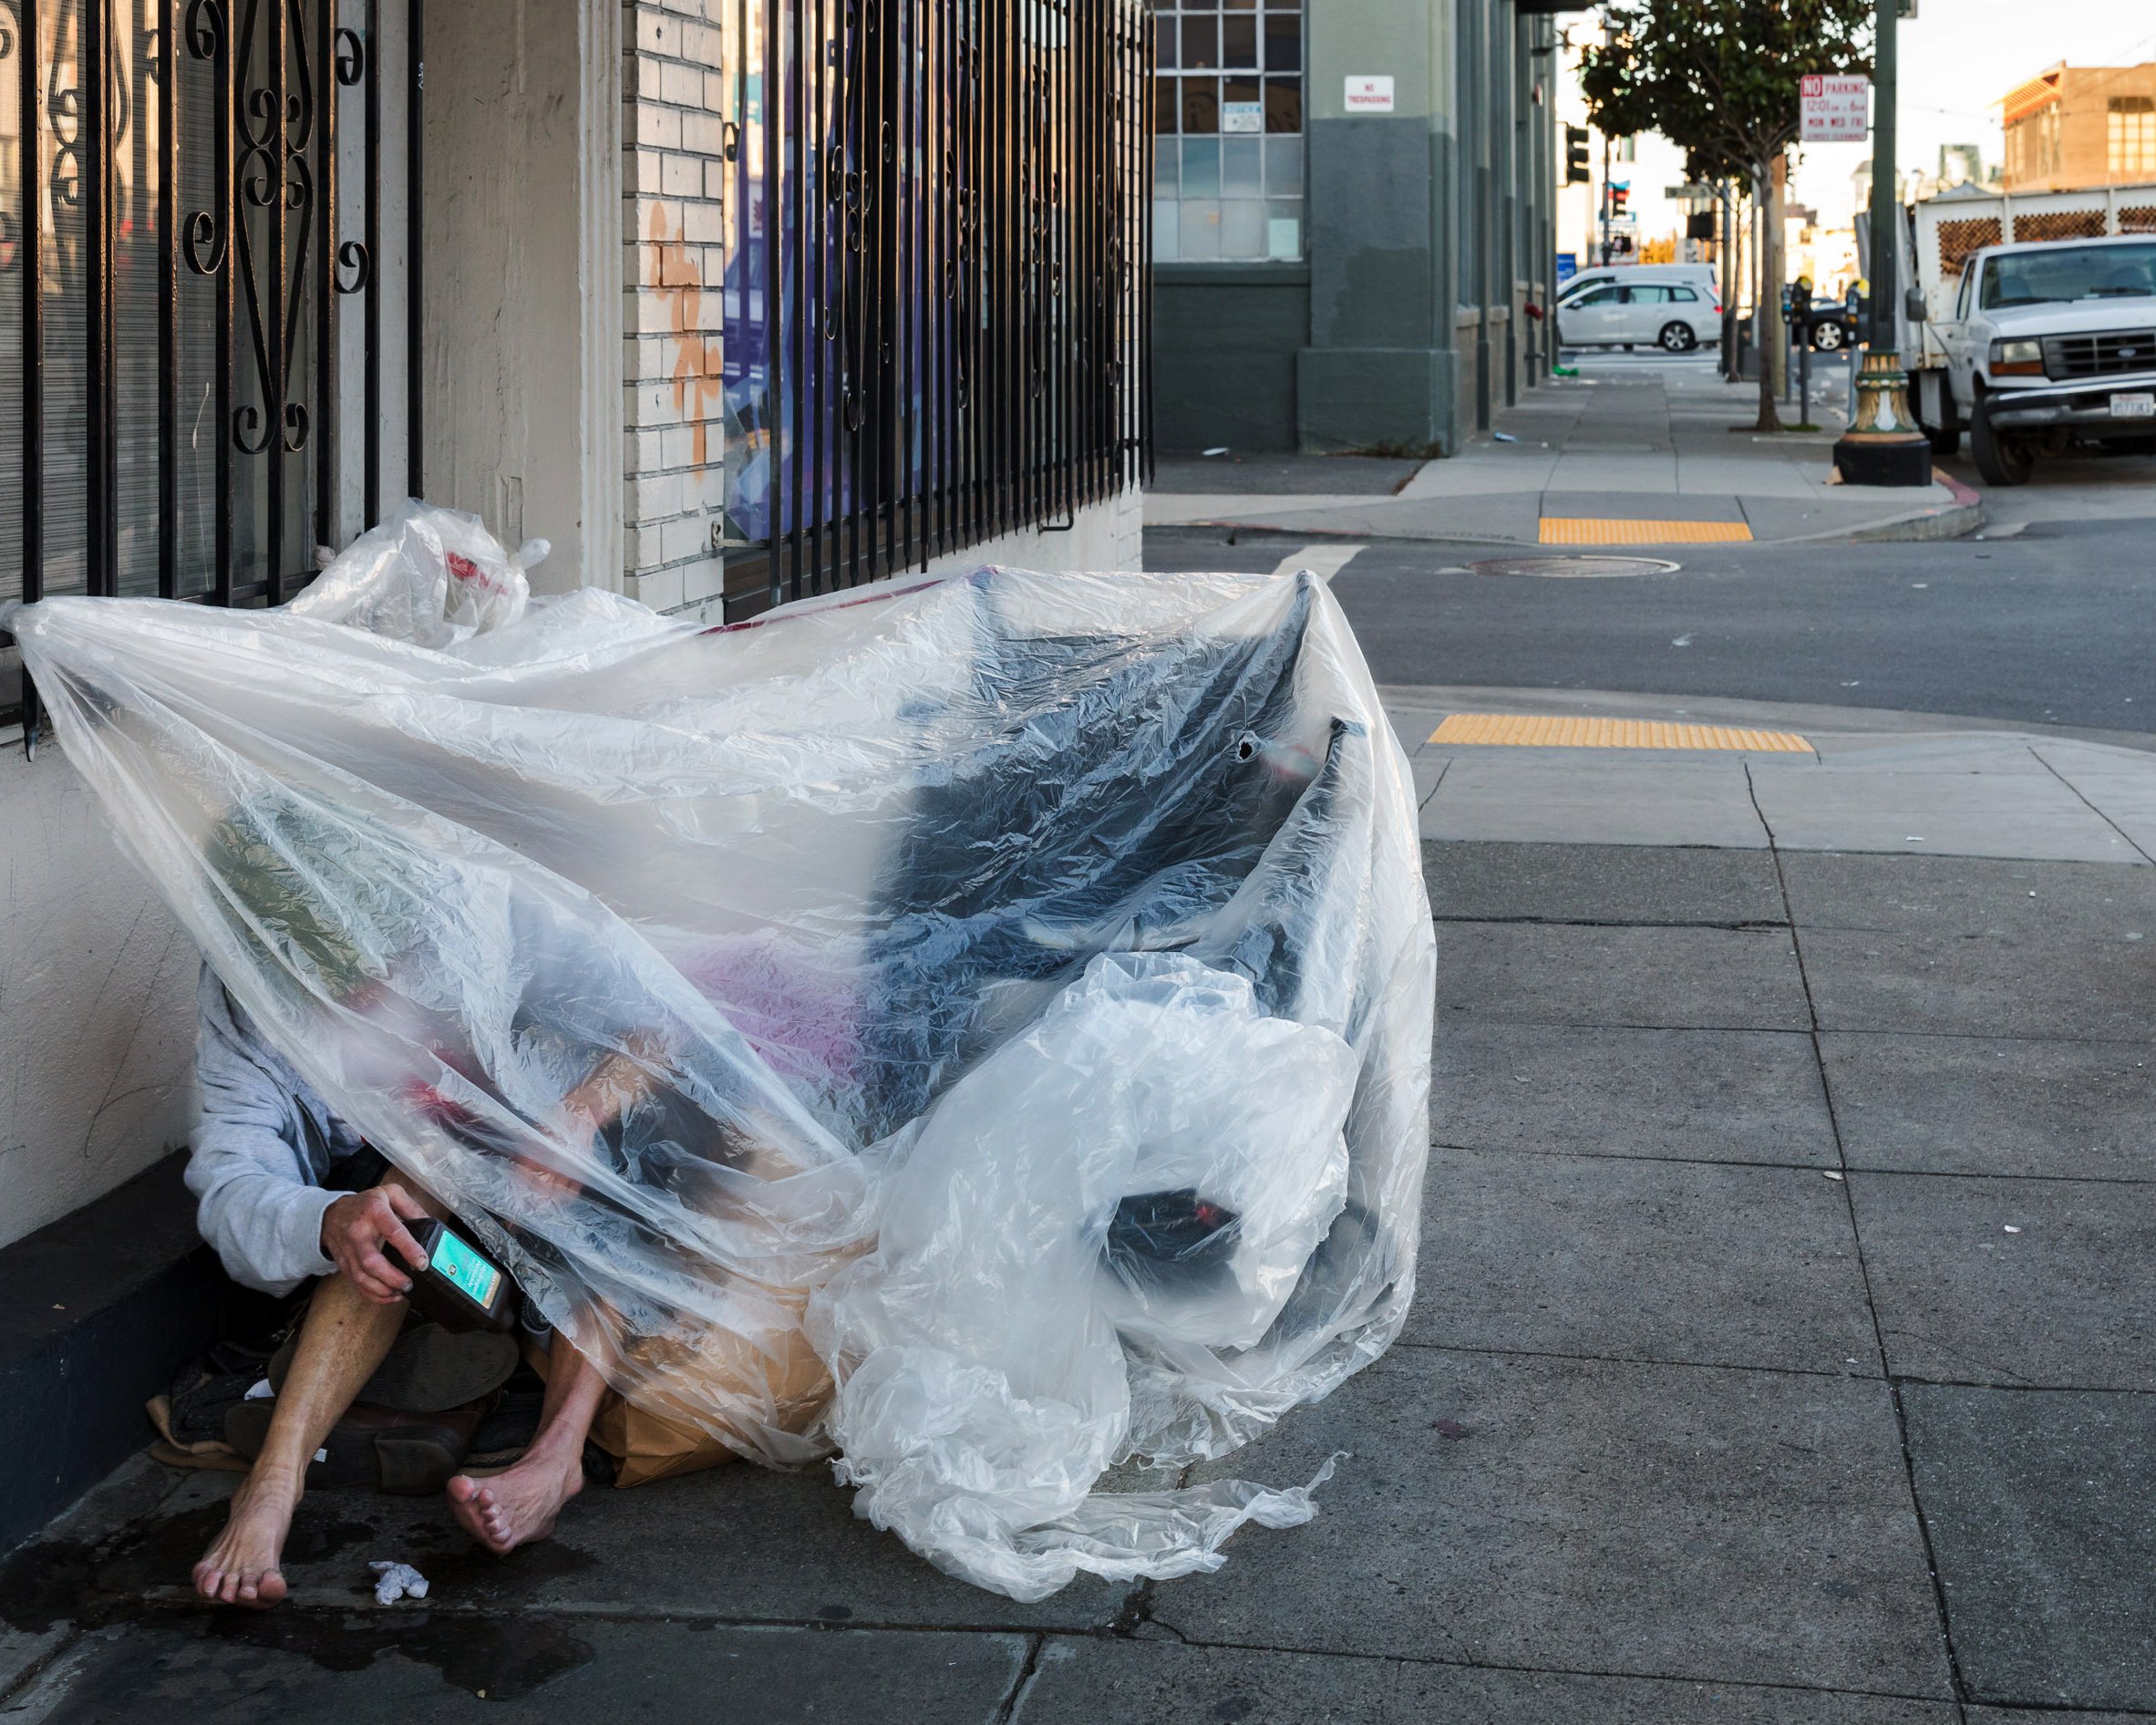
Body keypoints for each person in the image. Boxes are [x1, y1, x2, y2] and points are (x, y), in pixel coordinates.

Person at [185, 964, 613, 1607]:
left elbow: (654, 1026)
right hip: (419, 1199)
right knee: (409, 1183)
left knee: (625, 1176)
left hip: (552, 1177)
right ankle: (273, 1482)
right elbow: (230, 1179)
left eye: (368, 965)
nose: (356, 988)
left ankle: (556, 1460)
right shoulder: (250, 987)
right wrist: (328, 1221)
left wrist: (580, 1113)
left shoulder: (482, 920)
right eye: (321, 974)